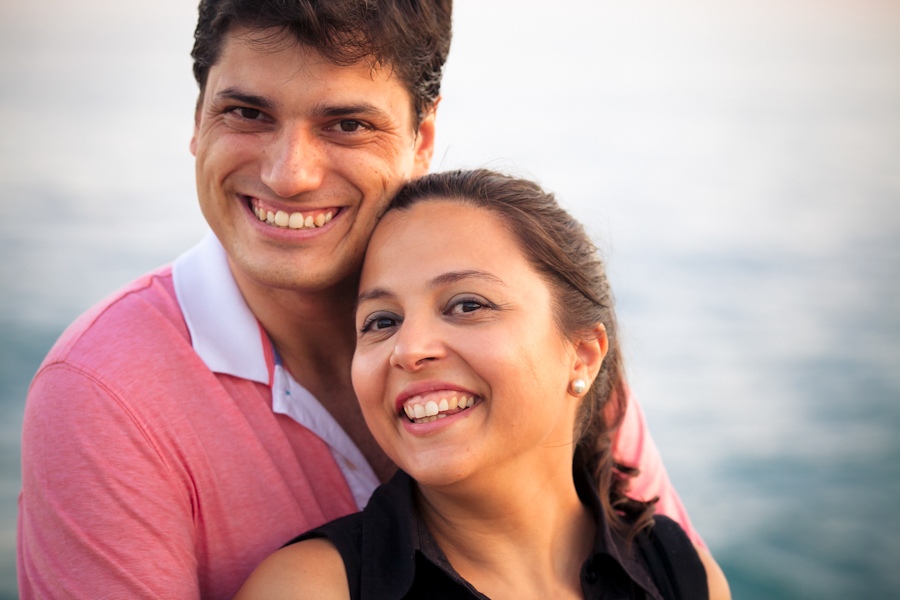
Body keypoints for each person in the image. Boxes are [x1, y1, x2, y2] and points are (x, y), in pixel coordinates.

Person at [17, 1, 714, 598]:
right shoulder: (104, 392)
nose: (290, 174)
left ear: (423, 139)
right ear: (198, 119)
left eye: (346, 124)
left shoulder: (537, 346)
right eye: (247, 112)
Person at [236, 169, 730, 599]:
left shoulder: (683, 574)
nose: (409, 349)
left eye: (467, 305)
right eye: (381, 321)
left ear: (581, 354)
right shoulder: (309, 589)